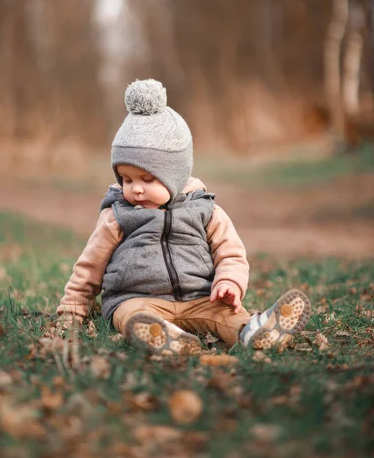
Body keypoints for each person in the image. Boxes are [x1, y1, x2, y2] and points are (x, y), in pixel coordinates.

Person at [56, 79, 311, 355]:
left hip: (200, 299)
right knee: (129, 314)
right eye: (126, 179)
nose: (136, 188)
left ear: (175, 175)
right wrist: (72, 310)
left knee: (226, 314)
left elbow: (231, 254)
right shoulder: (118, 215)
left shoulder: (205, 210)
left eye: (147, 178)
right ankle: (164, 336)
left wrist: (229, 282)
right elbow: (89, 267)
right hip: (138, 299)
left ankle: (255, 332)